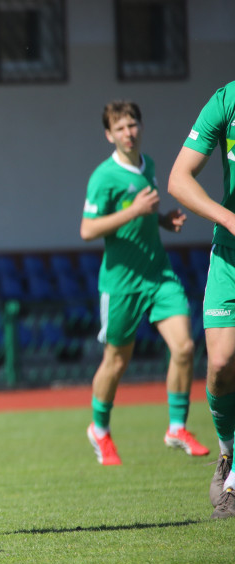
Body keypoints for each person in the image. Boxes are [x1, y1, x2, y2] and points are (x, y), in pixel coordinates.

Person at [80, 100, 207, 466]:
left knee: (183, 347)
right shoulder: (104, 177)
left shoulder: (148, 164)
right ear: (109, 135)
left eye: (132, 125)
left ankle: (177, 427)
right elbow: (87, 230)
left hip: (159, 274)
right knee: (117, 361)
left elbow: (146, 216)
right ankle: (100, 430)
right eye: (120, 128)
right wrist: (133, 210)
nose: (128, 132)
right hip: (121, 283)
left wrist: (164, 220)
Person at [168, 80, 235, 519]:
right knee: (220, 363)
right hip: (230, 255)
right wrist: (229, 219)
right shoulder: (227, 99)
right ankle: (227, 451)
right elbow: (179, 179)